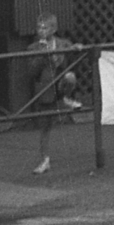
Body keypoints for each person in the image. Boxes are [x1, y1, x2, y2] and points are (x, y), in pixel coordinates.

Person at [27, 12, 81, 176]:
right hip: (45, 90)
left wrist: (77, 48)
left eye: (45, 27)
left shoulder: (63, 43)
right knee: (45, 128)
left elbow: (74, 53)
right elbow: (31, 73)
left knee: (70, 77)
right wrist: (42, 56)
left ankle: (66, 98)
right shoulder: (32, 48)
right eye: (39, 27)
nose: (41, 30)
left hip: (61, 85)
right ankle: (44, 160)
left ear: (53, 29)